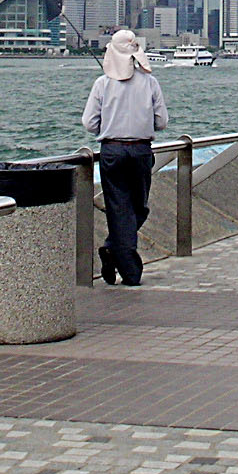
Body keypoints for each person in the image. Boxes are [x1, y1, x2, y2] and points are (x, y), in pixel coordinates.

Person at [83, 28, 169, 286]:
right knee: (138, 207)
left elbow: (89, 122)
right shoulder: (150, 83)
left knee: (120, 208)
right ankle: (131, 271)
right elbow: (162, 121)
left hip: (112, 151)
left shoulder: (102, 84)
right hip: (141, 151)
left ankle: (112, 250)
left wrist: (109, 126)